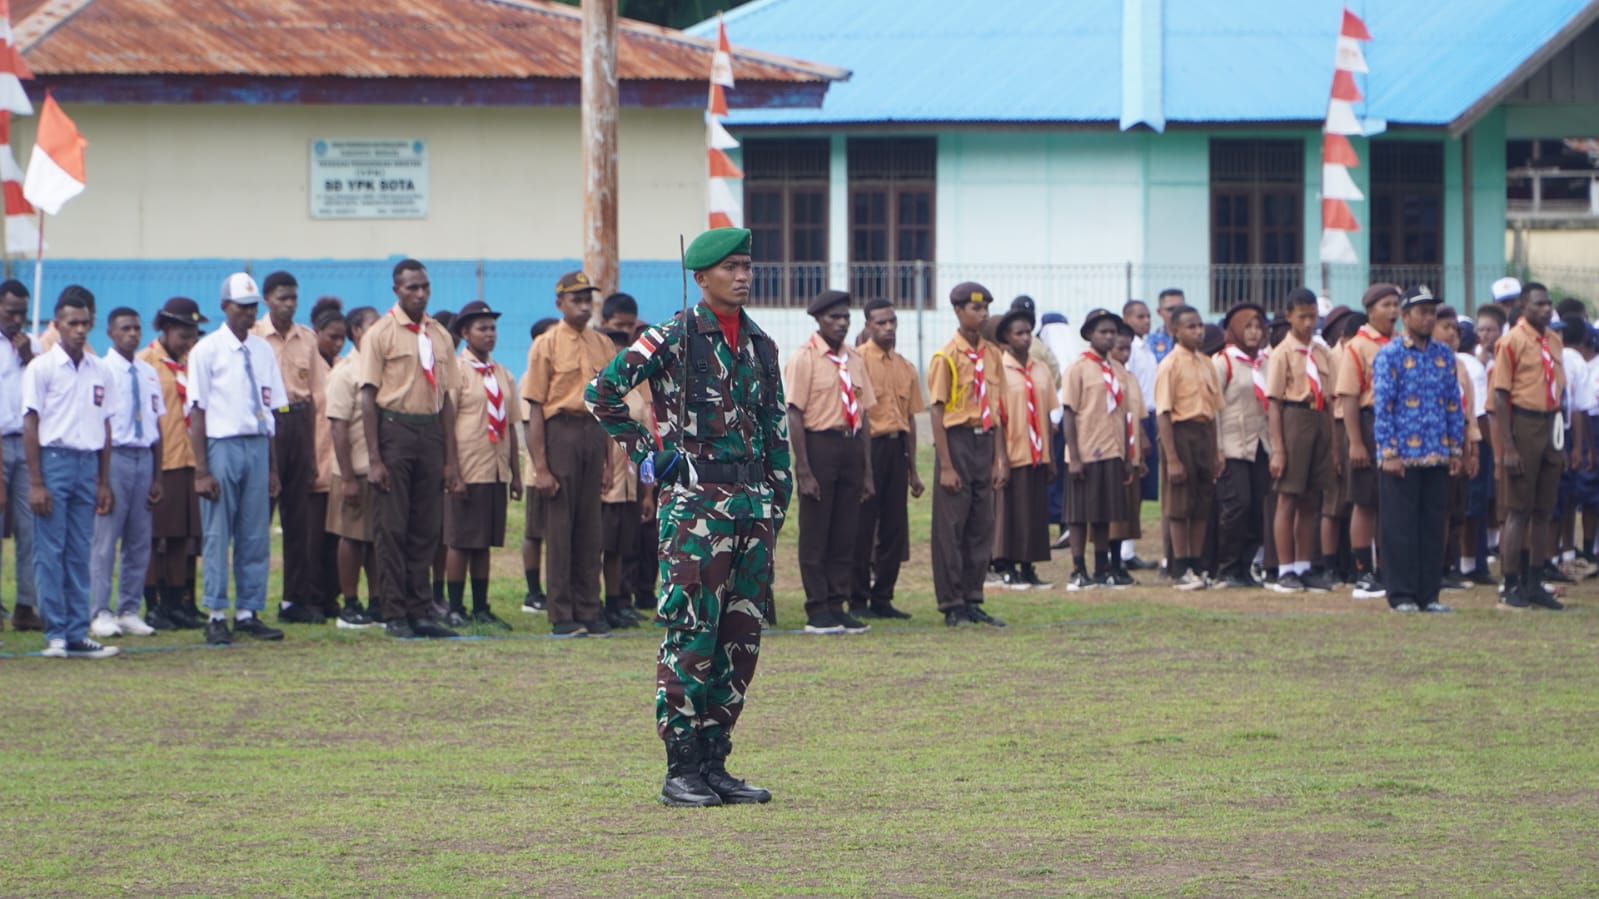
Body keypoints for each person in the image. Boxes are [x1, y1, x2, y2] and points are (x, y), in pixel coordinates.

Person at [586, 226, 791, 808]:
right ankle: (680, 768)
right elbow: (603, 393)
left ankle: (715, 760)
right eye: (730, 268)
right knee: (691, 633)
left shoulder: (760, 345)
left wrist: (778, 499)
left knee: (740, 638)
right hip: (697, 510)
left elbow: (775, 428)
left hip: (752, 510)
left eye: (748, 265)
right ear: (701, 278)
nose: (743, 276)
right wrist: (653, 457)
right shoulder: (671, 336)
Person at [360, 259, 464, 639]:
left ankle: (421, 609)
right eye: (411, 288)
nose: (419, 294)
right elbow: (367, 398)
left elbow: (447, 399)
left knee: (426, 527)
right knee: (393, 526)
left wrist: (451, 460)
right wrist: (374, 458)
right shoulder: (381, 334)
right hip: (394, 431)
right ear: (396, 291)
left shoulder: (438, 335)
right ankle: (395, 611)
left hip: (431, 432)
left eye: (424, 287)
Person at [187, 274, 288, 645]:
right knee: (218, 534)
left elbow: (271, 409)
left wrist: (273, 466)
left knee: (254, 533)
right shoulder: (207, 351)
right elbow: (196, 411)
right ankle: (216, 612)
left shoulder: (262, 351)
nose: (249, 313)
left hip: (257, 445)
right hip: (222, 445)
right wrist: (201, 469)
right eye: (242, 307)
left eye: (253, 307)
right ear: (224, 307)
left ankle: (247, 610)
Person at [21, 288, 118, 658]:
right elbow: (31, 424)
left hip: (87, 463)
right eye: (71, 323)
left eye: (84, 323)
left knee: (80, 550)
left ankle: (78, 631)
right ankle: (56, 633)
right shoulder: (41, 368)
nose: (79, 330)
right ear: (57, 325)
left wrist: (104, 480)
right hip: (53, 460)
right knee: (51, 549)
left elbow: (106, 426)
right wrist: (35, 482)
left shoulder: (99, 370)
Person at [523, 270, 616, 637]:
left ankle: (589, 608)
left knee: (591, 531)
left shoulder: (603, 344)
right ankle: (562, 614)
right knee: (560, 531)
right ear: (559, 303)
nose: (583, 305)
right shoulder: (546, 344)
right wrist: (541, 467)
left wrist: (610, 462)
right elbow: (533, 408)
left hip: (594, 432)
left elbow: (609, 405)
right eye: (575, 299)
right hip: (559, 432)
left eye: (587, 298)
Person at [785, 289, 876, 635]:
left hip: (850, 445)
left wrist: (867, 469)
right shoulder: (803, 359)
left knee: (845, 531)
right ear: (818, 320)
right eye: (833, 318)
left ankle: (839, 603)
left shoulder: (854, 359)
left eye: (845, 318)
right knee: (816, 531)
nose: (840, 324)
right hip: (818, 445)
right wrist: (803, 468)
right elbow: (794, 414)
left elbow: (863, 414)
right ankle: (817, 607)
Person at [1371, 287, 1463, 613]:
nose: (1427, 318)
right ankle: (1401, 594)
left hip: (1437, 452)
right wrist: (1389, 451)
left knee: (1432, 525)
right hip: (1402, 457)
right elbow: (1384, 406)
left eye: (1431, 312)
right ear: (1406, 316)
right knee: (1400, 527)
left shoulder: (1444, 356)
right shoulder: (1390, 355)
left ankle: (1429, 594)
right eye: (1421, 311)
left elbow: (1454, 404)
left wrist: (1456, 449)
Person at [928, 282, 1009, 627]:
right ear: (958, 311)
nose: (982, 314)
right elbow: (936, 412)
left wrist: (1000, 458)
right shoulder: (945, 356)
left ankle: (974, 597)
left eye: (986, 308)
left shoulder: (992, 354)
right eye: (976, 309)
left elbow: (998, 408)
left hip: (984, 440)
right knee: (951, 525)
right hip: (956, 440)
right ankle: (952, 602)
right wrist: (946, 464)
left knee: (981, 523)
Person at [249, 271, 326, 625]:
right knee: (258, 519)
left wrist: (313, 453)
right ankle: (250, 601)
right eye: (282, 297)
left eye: (294, 297)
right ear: (266, 299)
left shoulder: (306, 339)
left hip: (298, 421)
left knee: (299, 520)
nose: (289, 304)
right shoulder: (252, 337)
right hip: (265, 424)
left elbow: (315, 397)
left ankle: (294, 599)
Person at [442, 301, 521, 630]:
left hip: (494, 468)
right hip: (467, 467)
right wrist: (452, 470)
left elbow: (512, 425)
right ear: (464, 333)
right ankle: (455, 605)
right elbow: (447, 423)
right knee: (461, 540)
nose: (489, 334)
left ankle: (481, 606)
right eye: (481, 328)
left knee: (486, 540)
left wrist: (515, 473)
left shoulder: (502, 374)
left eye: (492, 328)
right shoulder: (456, 371)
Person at [88, 308, 164, 639]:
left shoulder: (148, 372)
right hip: (114, 456)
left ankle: (129, 608)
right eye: (125, 329)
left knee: (139, 539)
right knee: (105, 539)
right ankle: (100, 610)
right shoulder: (102, 371)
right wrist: (100, 477)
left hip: (143, 456)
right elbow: (95, 422)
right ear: (110, 333)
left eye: (136, 328)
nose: (132, 334)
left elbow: (156, 422)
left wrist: (158, 474)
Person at [1492, 282, 1567, 611]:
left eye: (1548, 304)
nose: (1546, 309)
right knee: (1518, 509)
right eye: (1539, 304)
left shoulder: (1553, 340)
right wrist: (1508, 446)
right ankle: (1510, 583)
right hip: (1523, 422)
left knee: (1543, 509)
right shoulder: (1511, 341)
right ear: (1523, 307)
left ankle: (1535, 580)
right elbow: (1500, 395)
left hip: (1551, 422)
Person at [851, 298, 924, 620]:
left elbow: (910, 422)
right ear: (867, 325)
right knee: (863, 527)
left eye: (892, 322)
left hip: (896, 450)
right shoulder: (858, 361)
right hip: (869, 448)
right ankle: (857, 598)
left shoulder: (905, 366)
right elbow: (856, 415)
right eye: (881, 323)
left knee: (895, 528)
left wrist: (913, 470)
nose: (889, 328)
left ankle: (883, 596)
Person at [137, 297, 206, 631]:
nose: (188, 340)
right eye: (183, 333)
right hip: (163, 461)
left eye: (193, 334)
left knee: (183, 537)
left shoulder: (196, 362)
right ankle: (153, 605)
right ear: (165, 328)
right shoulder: (146, 362)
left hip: (192, 460)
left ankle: (178, 603)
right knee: (155, 539)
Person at [1266, 289, 1337, 593]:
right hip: (1294, 419)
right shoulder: (1281, 353)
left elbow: (1332, 400)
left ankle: (1303, 565)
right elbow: (1273, 403)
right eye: (1302, 316)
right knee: (1288, 497)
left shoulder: (1322, 353)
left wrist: (1333, 444)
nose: (1309, 323)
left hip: (1319, 418)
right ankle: (1284, 569)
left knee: (1311, 499)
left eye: (1313, 316)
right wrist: (1279, 448)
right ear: (1288, 316)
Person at [1060, 308, 1134, 590]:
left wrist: (1127, 456)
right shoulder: (1078, 368)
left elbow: (1123, 414)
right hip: (1086, 450)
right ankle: (1078, 569)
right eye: (1103, 332)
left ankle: (1102, 567)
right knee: (1079, 515)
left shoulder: (1116, 370)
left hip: (1111, 449)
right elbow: (1069, 413)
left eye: (1113, 332)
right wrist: (1074, 456)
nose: (1109, 337)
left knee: (1104, 513)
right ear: (1090, 334)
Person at [1336, 283, 1401, 600]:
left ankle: (1388, 567)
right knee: (1365, 501)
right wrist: (1356, 442)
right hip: (1368, 419)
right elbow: (1348, 396)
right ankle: (1363, 570)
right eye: (1386, 304)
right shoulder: (1358, 347)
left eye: (1396, 305)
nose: (1393, 311)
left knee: (1390, 500)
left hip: (1397, 424)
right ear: (1371, 309)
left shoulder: (1399, 344)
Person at [1155, 304, 1222, 590]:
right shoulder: (1170, 364)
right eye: (1190, 327)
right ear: (1175, 330)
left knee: (1201, 503)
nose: (1198, 331)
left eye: (1199, 326)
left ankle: (1196, 563)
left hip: (1203, 434)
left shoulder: (1207, 362)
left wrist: (1217, 449)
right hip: (1180, 434)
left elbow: (1214, 410)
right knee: (1179, 504)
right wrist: (1172, 458)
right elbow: (1163, 413)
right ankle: (1180, 565)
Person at [989, 306, 1055, 589]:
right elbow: (996, 419)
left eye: (1028, 332)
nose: (1025, 338)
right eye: (1019, 333)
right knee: (1011, 513)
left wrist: (1050, 455)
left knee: (1034, 513)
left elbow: (1049, 414)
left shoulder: (1041, 370)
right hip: (1012, 451)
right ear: (1006, 339)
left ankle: (1029, 566)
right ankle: (1008, 566)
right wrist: (1000, 458)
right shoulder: (999, 370)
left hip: (1037, 452)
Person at [324, 306, 381, 627]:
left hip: (376, 469)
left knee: (374, 539)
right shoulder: (345, 372)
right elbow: (338, 427)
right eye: (373, 326)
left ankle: (376, 602)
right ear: (356, 332)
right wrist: (347, 478)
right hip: (353, 469)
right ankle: (350, 604)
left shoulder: (381, 368)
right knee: (352, 538)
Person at [1211, 302, 1272, 590]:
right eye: (1248, 326)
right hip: (1233, 444)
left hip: (1261, 444)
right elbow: (1213, 408)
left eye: (1259, 326)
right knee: (1238, 504)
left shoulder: (1264, 362)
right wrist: (1217, 448)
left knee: (1259, 507)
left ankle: (1246, 565)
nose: (1254, 332)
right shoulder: (1223, 362)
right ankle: (1227, 566)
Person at [595, 325, 649, 630]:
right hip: (610, 481)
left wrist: (646, 491)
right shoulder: (600, 388)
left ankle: (616, 602)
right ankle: (597, 601)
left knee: (619, 547)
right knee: (601, 545)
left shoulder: (635, 389)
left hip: (630, 481)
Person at [0, 280, 41, 631]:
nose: (17, 319)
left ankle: (26, 606)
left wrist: (29, 357)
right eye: (10, 311)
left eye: (22, 313)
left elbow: (45, 393)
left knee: (30, 529)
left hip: (26, 445)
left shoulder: (34, 346)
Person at [1433, 306, 1482, 591]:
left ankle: (1450, 565)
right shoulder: (1431, 363)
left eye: (1455, 329)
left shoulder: (1460, 365)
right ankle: (1435, 566)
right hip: (1439, 445)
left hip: (1461, 443)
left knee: (1457, 508)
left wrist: (1472, 449)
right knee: (1439, 510)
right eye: (1446, 327)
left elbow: (1469, 412)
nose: (1452, 334)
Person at [307, 297, 346, 618]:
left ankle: (332, 596)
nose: (337, 343)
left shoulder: (342, 365)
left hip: (337, 465)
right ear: (317, 333)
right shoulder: (309, 367)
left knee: (335, 536)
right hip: (313, 462)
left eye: (341, 337)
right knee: (313, 537)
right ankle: (312, 596)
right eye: (332, 336)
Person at [518, 316, 559, 615]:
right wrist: (539, 468)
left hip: (561, 466)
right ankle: (533, 592)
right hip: (539, 471)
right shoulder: (529, 378)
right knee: (534, 531)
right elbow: (529, 424)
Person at [1106, 323, 1149, 584]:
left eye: (1128, 349)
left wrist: (1141, 450)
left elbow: (1138, 414)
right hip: (1112, 449)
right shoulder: (1108, 375)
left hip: (1131, 450)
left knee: (1129, 509)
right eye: (1119, 348)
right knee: (1113, 511)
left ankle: (1121, 559)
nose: (1124, 354)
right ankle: (1110, 562)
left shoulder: (1130, 377)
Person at [1121, 298, 1159, 568]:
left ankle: (1129, 549)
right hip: (1136, 417)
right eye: (1139, 316)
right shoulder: (1129, 350)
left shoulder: (1147, 348)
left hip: (1151, 416)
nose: (1146, 321)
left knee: (1144, 489)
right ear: (1127, 319)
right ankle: (1123, 551)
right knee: (1132, 483)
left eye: (1147, 316)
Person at [1148, 288, 1187, 363]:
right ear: (1159, 312)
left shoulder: (1195, 338)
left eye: (1180, 308)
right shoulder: (1151, 341)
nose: (1176, 313)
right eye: (1171, 309)